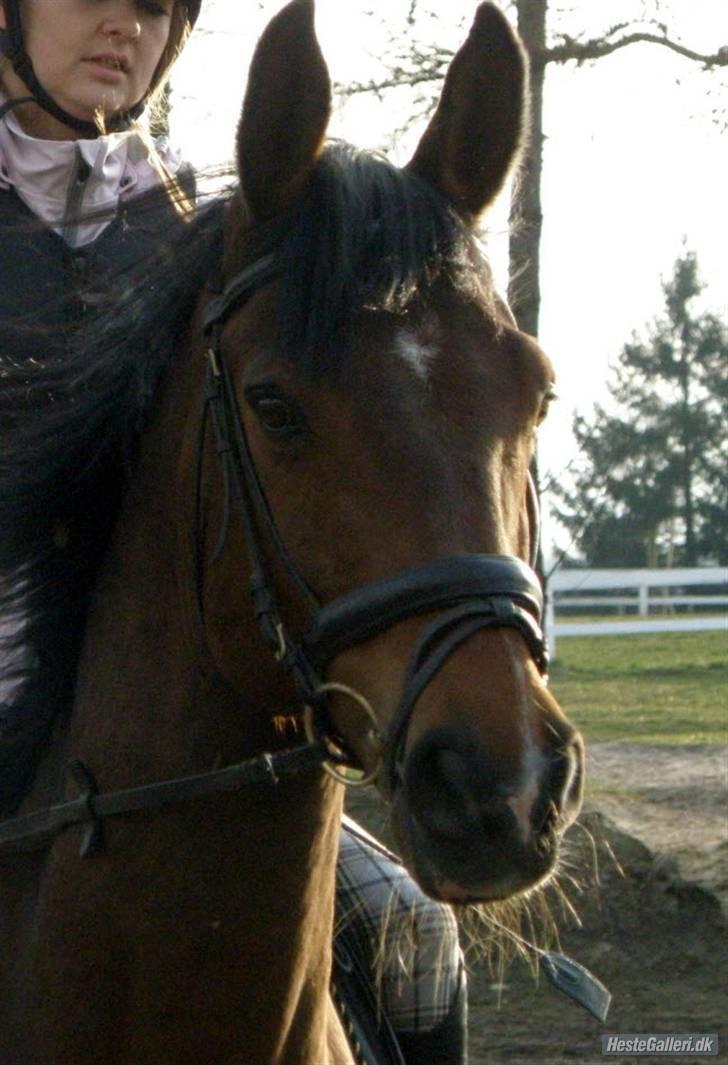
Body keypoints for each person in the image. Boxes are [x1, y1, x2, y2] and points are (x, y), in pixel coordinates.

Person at [0, 3, 467, 1062]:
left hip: (158, 723)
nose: (127, 25)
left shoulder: (205, 242)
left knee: (411, 932)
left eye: (159, 7)